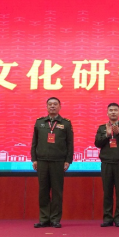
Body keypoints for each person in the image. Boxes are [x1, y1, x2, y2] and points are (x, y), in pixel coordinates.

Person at [31, 97, 73, 228]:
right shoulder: (40, 122)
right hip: (42, 161)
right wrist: (34, 159)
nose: (52, 106)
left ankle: (55, 219)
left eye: (55, 104)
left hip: (58, 161)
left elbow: (70, 144)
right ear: (46, 106)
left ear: (60, 107)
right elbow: (34, 142)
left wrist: (68, 160)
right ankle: (44, 218)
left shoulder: (66, 123)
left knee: (57, 192)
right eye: (50, 104)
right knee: (43, 191)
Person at [94, 103, 119, 227]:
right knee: (107, 192)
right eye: (111, 110)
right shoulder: (102, 128)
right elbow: (97, 143)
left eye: (115, 110)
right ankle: (107, 218)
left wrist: (118, 134)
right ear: (107, 113)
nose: (113, 112)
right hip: (106, 163)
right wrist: (107, 135)